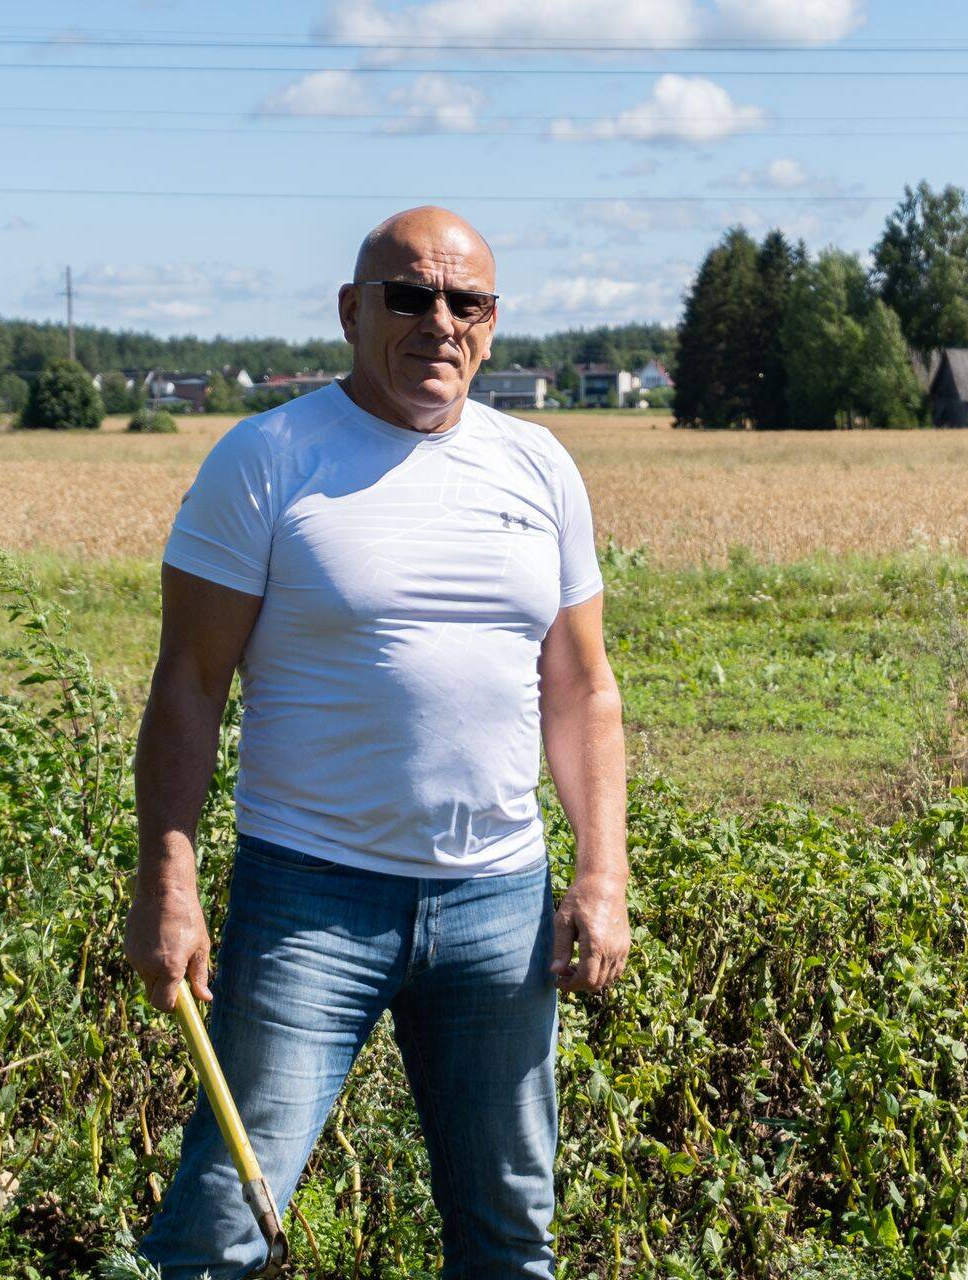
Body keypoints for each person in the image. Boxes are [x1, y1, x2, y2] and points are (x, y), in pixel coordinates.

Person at [126, 206, 629, 1279]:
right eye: (409, 296)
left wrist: (602, 870)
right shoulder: (267, 460)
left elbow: (584, 687)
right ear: (354, 311)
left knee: (510, 1235)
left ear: (493, 325)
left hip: (499, 902)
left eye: (466, 302)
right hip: (311, 895)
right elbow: (188, 683)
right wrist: (168, 877)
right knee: (220, 1227)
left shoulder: (540, 468)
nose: (438, 321)